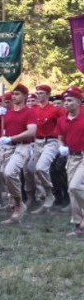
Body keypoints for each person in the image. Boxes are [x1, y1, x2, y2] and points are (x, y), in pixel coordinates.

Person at [0, 84, 38, 225]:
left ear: (25, 96)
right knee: (4, 174)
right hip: (7, 148)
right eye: (13, 94)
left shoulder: (29, 112)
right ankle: (15, 204)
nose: (14, 96)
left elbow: (32, 131)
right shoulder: (6, 112)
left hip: (23, 146)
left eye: (18, 94)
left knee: (9, 172)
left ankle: (19, 204)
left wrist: (12, 138)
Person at [28, 84, 65, 214]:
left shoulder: (55, 110)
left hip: (51, 141)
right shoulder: (33, 110)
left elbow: (64, 123)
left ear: (48, 95)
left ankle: (50, 194)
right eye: (37, 92)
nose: (39, 95)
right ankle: (43, 196)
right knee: (31, 168)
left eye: (42, 93)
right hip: (37, 142)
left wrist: (62, 142)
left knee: (41, 167)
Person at [56, 86, 84, 236]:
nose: (66, 103)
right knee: (72, 192)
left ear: (79, 101)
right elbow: (60, 138)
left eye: (69, 100)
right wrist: (61, 147)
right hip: (71, 157)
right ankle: (79, 226)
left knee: (74, 187)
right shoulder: (62, 120)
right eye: (64, 101)